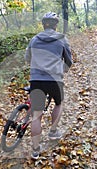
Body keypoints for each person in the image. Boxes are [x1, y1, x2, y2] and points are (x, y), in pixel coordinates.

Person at [24, 12, 73, 159]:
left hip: (37, 80)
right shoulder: (62, 39)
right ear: (56, 25)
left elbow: (27, 58)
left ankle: (35, 150)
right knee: (59, 103)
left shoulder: (34, 40)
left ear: (43, 24)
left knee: (36, 115)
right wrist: (62, 69)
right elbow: (69, 61)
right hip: (55, 80)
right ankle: (53, 131)